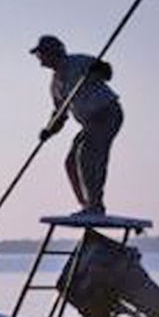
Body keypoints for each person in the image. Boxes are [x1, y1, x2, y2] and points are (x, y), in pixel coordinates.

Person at [31, 35, 124, 217]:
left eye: (41, 53)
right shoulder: (56, 85)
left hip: (107, 113)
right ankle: (87, 205)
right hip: (89, 122)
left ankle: (95, 206)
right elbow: (60, 115)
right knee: (71, 162)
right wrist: (49, 130)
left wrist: (98, 69)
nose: (39, 58)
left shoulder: (78, 62)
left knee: (88, 155)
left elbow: (107, 72)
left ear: (52, 52)